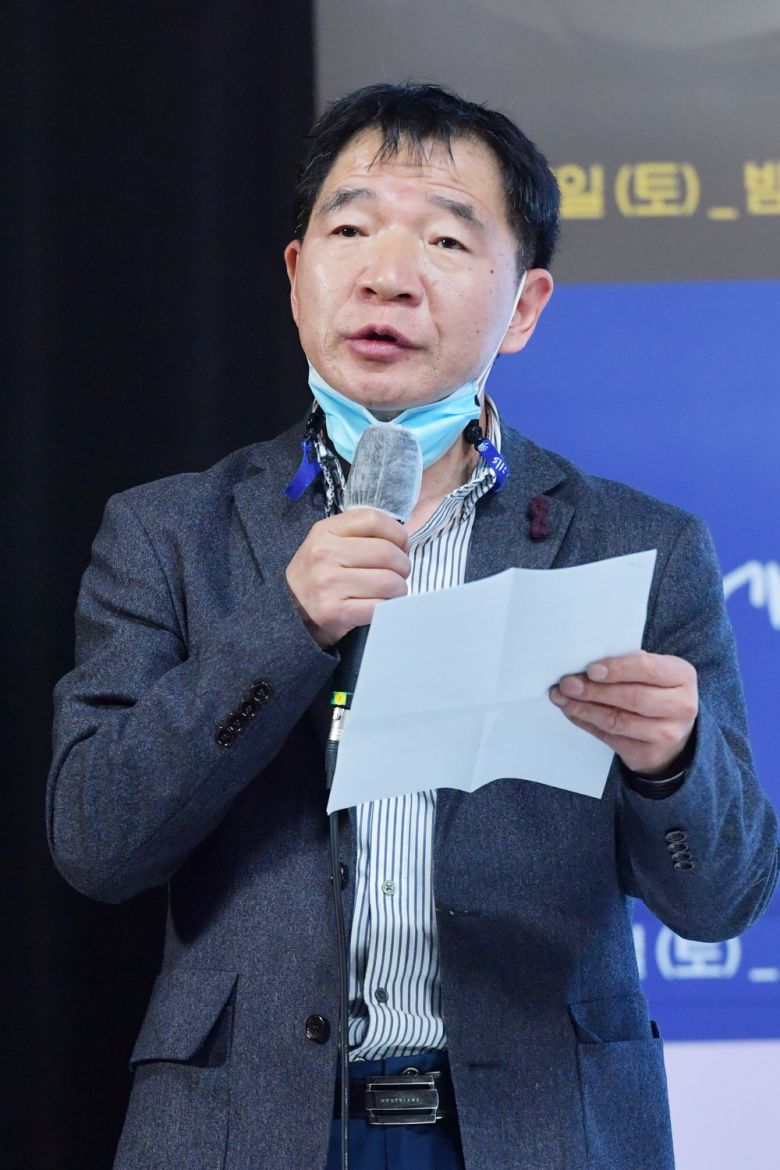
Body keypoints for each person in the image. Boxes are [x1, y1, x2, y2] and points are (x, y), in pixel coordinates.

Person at [47, 83, 778, 1170]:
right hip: (247, 1130)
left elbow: (722, 900)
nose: (387, 274)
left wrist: (674, 763)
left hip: (545, 1132)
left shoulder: (639, 545)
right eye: (350, 230)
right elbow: (97, 842)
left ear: (523, 307)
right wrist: (284, 626)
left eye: (445, 239)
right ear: (297, 275)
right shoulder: (168, 533)